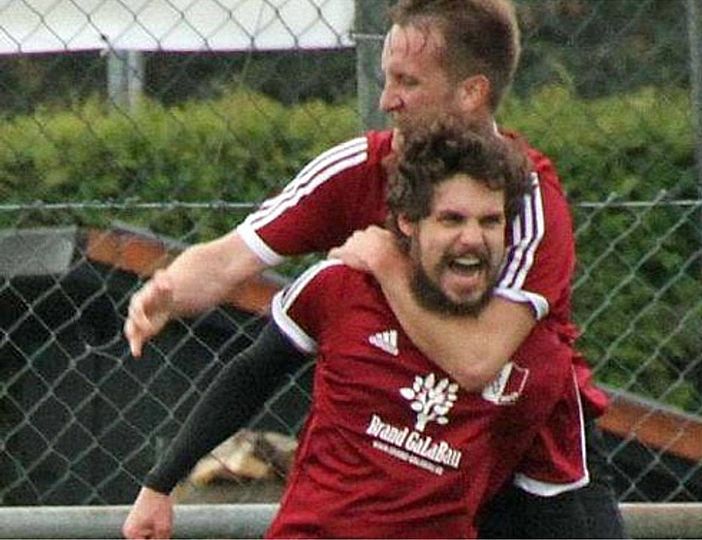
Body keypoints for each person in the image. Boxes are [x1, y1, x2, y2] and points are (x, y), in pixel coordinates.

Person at [124, 0, 624, 537]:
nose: (387, 100)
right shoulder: (359, 169)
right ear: (410, 219)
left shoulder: (530, 201)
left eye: (407, 82)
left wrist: (390, 267)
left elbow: (479, 361)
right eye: (387, 78)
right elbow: (228, 260)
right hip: (405, 456)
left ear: (471, 93)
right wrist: (168, 291)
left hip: (528, 452)